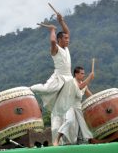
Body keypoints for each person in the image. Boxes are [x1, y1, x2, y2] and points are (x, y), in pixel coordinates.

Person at [30, 12, 72, 142]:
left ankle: (66, 140)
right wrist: (53, 30)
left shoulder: (66, 48)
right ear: (60, 40)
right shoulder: (55, 50)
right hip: (58, 78)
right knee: (46, 89)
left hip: (68, 80)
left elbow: (67, 32)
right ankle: (30, 89)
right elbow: (53, 40)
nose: (68, 39)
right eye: (65, 38)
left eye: (67, 38)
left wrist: (61, 21)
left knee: (66, 110)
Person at [53, 66, 94, 146]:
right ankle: (57, 139)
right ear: (76, 74)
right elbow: (79, 87)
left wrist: (98, 100)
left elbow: (90, 95)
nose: (83, 75)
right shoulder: (72, 82)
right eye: (82, 73)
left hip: (79, 107)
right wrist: (89, 78)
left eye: (84, 74)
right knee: (70, 121)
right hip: (70, 106)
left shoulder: (84, 84)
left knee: (83, 125)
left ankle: (88, 141)